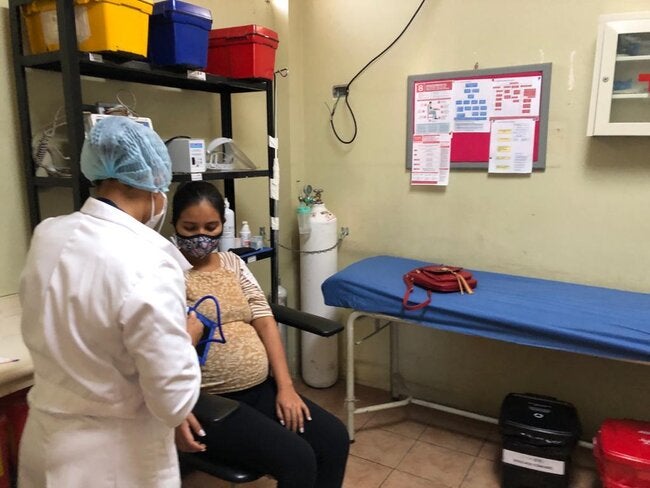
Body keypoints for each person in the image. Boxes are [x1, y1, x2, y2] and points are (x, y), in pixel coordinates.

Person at [18, 117, 203, 488]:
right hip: (114, 460)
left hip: (45, 442)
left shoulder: (49, 234)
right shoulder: (149, 261)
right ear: (155, 185)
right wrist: (188, 335)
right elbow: (173, 402)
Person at [172, 181, 350, 488]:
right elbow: (158, 350)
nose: (201, 236)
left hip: (259, 389)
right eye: (190, 228)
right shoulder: (166, 271)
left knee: (334, 439)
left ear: (223, 225)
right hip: (211, 404)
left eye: (211, 227)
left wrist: (286, 387)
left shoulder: (233, 263)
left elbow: (264, 319)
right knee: (298, 459)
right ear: (174, 224)